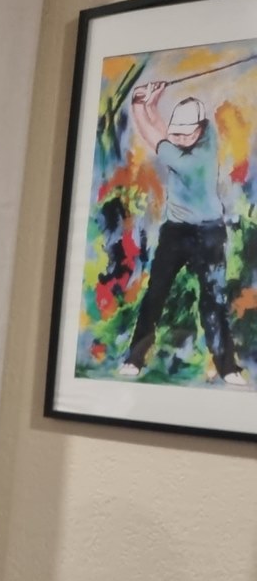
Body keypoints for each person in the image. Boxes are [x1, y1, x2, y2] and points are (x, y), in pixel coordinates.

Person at [119, 84, 246, 384]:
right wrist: (153, 104)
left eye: (187, 135)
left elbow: (155, 136)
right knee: (155, 294)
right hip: (175, 232)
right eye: (177, 134)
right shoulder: (200, 135)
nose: (180, 139)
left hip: (209, 233)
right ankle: (134, 358)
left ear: (201, 130)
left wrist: (138, 104)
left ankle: (228, 367)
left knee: (213, 301)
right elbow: (166, 135)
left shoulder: (194, 159)